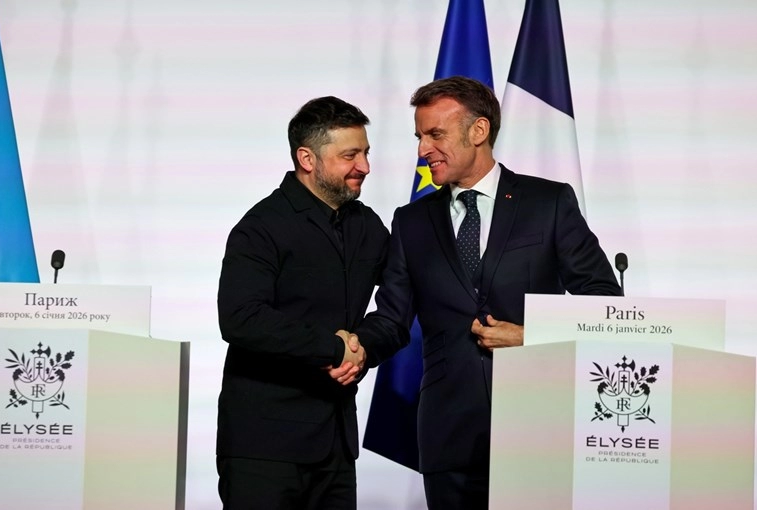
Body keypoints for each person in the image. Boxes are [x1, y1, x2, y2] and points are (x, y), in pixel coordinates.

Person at [355, 76, 622, 509]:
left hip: (539, 430)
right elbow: (391, 319)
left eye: (435, 134)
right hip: (448, 435)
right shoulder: (411, 221)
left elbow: (605, 305)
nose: (423, 150)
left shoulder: (548, 203)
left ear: (478, 131)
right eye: (419, 137)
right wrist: (354, 350)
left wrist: (532, 336)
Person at [216, 96, 389, 510]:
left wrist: (363, 348)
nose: (364, 166)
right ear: (307, 158)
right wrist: (333, 349)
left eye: (365, 153)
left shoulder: (368, 226)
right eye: (350, 155)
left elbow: (402, 302)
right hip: (264, 449)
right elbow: (241, 318)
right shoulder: (261, 227)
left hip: (337, 448)